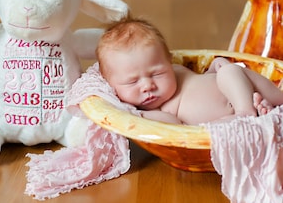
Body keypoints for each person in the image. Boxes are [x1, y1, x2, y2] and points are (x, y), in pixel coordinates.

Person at [96, 16, 283, 125]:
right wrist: (140, 115)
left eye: (157, 73)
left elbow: (201, 79)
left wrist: (215, 66)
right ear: (111, 86)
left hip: (241, 89)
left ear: (168, 61)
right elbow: (174, 125)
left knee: (229, 71)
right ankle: (257, 113)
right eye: (132, 82)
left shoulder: (177, 70)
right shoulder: (150, 110)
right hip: (226, 120)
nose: (147, 86)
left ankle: (254, 107)